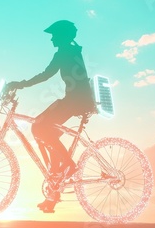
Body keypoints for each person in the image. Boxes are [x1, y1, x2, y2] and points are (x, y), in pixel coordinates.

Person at [6, 20, 96, 212]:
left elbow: (46, 75)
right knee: (41, 129)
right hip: (75, 99)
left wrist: (18, 84)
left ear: (62, 36)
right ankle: (53, 190)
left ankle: (70, 166)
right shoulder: (72, 50)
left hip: (75, 100)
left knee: (40, 128)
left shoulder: (64, 52)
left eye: (54, 35)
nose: (52, 38)